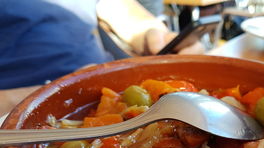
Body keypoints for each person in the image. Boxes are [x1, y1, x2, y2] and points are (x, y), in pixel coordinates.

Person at [0, 0, 204, 90]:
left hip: (105, 88)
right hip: (20, 113)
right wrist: (51, 93)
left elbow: (117, 8)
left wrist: (157, 36)